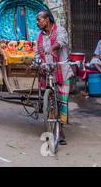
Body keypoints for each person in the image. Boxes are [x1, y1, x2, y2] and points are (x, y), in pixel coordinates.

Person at [36, 11, 73, 145]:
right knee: (51, 102)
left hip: (61, 71)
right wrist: (38, 62)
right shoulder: (39, 36)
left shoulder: (60, 30)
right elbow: (37, 53)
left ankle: (60, 128)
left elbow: (62, 41)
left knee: (62, 102)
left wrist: (53, 47)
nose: (37, 22)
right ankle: (53, 128)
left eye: (39, 20)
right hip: (47, 72)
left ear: (47, 20)